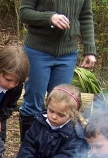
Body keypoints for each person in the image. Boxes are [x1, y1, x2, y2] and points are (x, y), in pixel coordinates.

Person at [17, 0, 97, 142]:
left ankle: (51, 153)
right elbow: (24, 13)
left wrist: (90, 49)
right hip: (37, 50)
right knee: (32, 105)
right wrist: (49, 18)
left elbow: (85, 16)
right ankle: (27, 153)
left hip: (68, 53)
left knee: (61, 105)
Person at [11, 84, 88, 158]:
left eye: (61, 115)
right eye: (51, 111)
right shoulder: (39, 122)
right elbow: (27, 149)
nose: (53, 116)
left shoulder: (76, 134)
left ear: (72, 114)